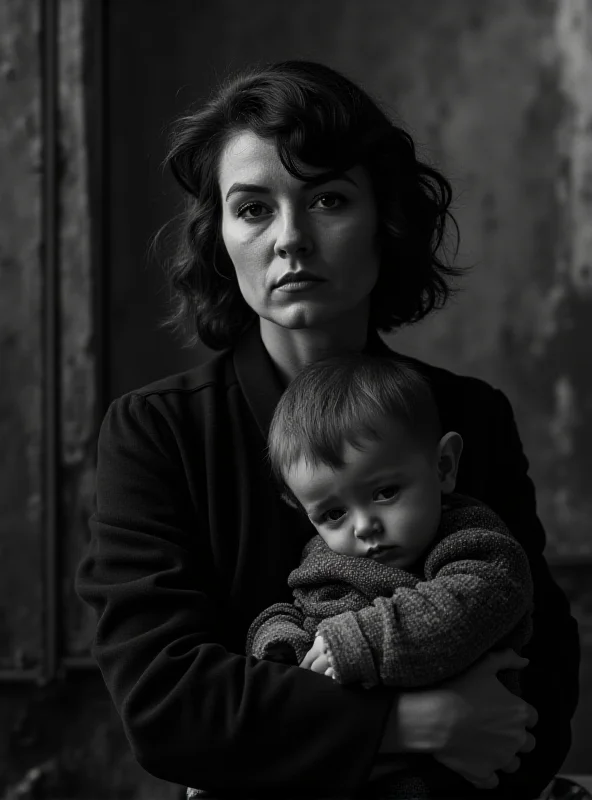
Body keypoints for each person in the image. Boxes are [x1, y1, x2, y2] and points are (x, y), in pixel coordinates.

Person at [75, 60, 579, 799]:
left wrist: (271, 741)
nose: (290, 239)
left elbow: (536, 696)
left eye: (329, 199)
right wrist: (413, 725)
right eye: (252, 209)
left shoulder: (469, 416)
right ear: (221, 237)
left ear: (386, 220)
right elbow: (168, 707)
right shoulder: (155, 432)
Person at [242, 353, 534, 799]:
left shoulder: (477, 547)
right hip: (350, 747)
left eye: (385, 492)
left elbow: (465, 606)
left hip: (437, 771)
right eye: (333, 513)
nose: (363, 526)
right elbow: (302, 608)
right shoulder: (322, 556)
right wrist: (280, 643)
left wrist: (356, 644)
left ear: (443, 468)